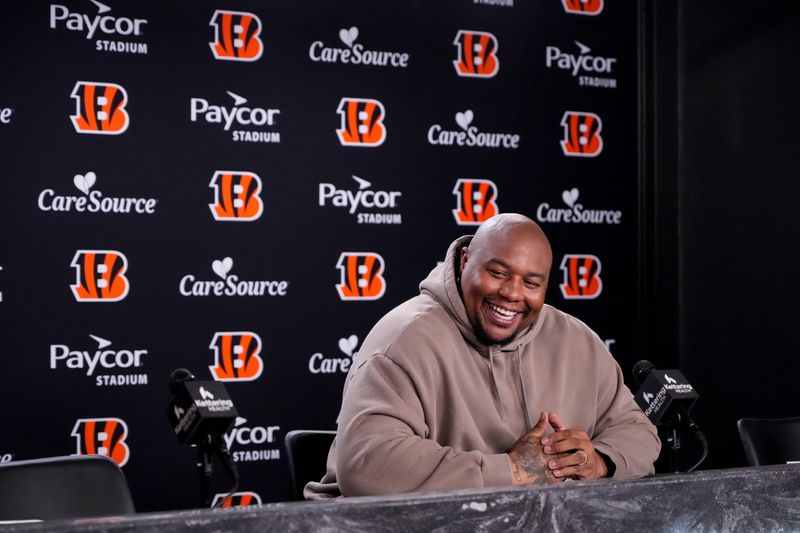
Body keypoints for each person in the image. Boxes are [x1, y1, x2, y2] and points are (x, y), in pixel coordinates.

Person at [305, 213, 660, 499]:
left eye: (531, 283)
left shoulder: (577, 340)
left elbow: (638, 432)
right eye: (497, 273)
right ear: (465, 261)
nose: (511, 294)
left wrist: (599, 462)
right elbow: (367, 465)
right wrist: (513, 471)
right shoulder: (403, 339)